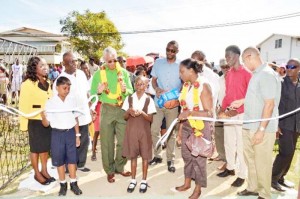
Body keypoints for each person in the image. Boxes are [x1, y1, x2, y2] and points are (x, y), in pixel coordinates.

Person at [238, 47, 281, 199]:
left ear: (250, 57)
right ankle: (253, 187)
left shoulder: (266, 75)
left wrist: (261, 129)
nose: (243, 64)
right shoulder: (257, 74)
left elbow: (269, 104)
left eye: (244, 61)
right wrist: (241, 101)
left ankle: (264, 194)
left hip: (261, 129)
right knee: (251, 160)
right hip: (250, 126)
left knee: (262, 163)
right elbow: (258, 97)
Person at [90, 46, 133, 183]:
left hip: (122, 109)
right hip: (107, 109)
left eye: (114, 60)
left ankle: (119, 167)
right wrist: (98, 91)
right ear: (104, 61)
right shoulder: (98, 74)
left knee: (123, 141)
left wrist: (126, 90)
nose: (112, 64)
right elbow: (92, 95)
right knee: (107, 142)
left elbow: (131, 91)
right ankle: (109, 170)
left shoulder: (124, 73)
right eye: (108, 61)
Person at [176, 58, 213, 199]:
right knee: (186, 156)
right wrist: (180, 132)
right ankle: (187, 183)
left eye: (182, 71)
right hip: (186, 126)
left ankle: (198, 189)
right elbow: (183, 110)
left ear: (191, 71)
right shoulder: (186, 85)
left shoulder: (204, 86)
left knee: (198, 160)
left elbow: (209, 113)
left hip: (201, 128)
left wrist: (191, 113)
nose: (180, 74)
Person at [217, 45, 252, 188]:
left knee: (241, 146)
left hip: (242, 114)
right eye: (225, 57)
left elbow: (252, 97)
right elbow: (227, 95)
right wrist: (222, 110)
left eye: (229, 56)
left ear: (237, 56)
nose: (227, 60)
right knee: (228, 142)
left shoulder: (247, 74)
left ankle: (242, 175)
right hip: (229, 114)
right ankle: (230, 168)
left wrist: (237, 110)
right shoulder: (229, 73)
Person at [41, 76, 82, 196]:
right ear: (57, 88)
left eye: (68, 88)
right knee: (59, 161)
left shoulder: (72, 100)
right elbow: (46, 124)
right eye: (64, 88)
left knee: (72, 160)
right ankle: (63, 184)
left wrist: (77, 135)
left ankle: (74, 183)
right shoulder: (50, 103)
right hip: (57, 134)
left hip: (70, 133)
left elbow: (75, 119)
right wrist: (43, 117)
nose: (67, 90)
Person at [53, 52, 92, 172]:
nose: (74, 64)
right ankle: (68, 166)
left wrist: (90, 107)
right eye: (71, 62)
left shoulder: (81, 74)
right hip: (70, 117)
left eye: (75, 61)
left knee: (84, 140)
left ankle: (80, 164)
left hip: (84, 113)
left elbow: (86, 92)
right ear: (64, 64)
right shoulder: (60, 79)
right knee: (69, 143)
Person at [19, 56, 54, 185]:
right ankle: (37, 173)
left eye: (46, 65)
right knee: (35, 149)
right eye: (42, 66)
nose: (46, 68)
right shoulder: (27, 84)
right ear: (34, 68)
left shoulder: (47, 82)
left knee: (44, 148)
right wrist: (23, 125)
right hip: (34, 120)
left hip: (47, 120)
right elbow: (23, 105)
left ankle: (44, 170)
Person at [149, 40, 182, 173]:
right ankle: (157, 156)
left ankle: (170, 159)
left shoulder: (181, 65)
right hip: (158, 102)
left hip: (173, 104)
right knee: (154, 130)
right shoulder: (158, 63)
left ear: (177, 52)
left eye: (172, 50)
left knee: (171, 133)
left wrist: (178, 97)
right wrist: (156, 88)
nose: (169, 52)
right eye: (168, 50)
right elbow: (153, 79)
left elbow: (185, 82)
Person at [122, 76, 156, 193]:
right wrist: (129, 111)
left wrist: (141, 112)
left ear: (146, 86)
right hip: (131, 131)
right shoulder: (129, 98)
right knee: (133, 156)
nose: (139, 86)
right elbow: (125, 117)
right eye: (137, 84)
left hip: (144, 132)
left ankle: (144, 180)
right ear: (134, 85)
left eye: (142, 84)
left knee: (145, 156)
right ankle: (133, 180)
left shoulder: (149, 100)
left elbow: (151, 119)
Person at [271, 58, 300, 191]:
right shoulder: (281, 83)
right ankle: (273, 178)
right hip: (284, 124)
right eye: (288, 66)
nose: (288, 68)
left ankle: (282, 177)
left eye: (292, 66)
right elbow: (274, 104)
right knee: (285, 152)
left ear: (299, 68)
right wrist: (276, 123)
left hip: (297, 125)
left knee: (291, 152)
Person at [214, 58, 230, 170]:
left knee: (229, 136)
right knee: (218, 134)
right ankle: (221, 155)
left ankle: (229, 161)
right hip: (219, 109)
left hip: (230, 110)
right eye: (223, 67)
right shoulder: (219, 79)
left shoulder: (235, 78)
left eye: (227, 66)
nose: (225, 69)